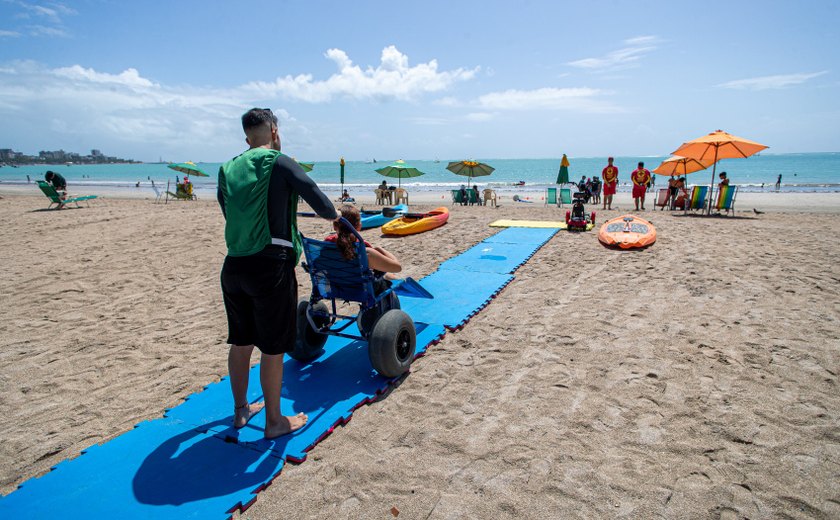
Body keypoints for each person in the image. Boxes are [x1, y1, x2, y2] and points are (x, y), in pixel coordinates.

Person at [217, 108, 337, 439]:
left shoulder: (228, 168)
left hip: (234, 265)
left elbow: (226, 209)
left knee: (241, 341)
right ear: (274, 131)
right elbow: (321, 203)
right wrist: (335, 215)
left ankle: (241, 410)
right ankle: (274, 422)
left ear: (246, 137)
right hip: (270, 266)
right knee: (272, 346)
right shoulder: (279, 161)